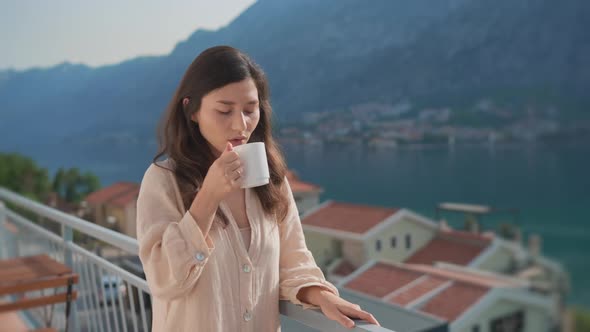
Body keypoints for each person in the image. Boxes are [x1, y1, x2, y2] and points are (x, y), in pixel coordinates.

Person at [136, 45, 380, 331]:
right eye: (224, 111)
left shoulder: (271, 178)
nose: (241, 125)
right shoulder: (163, 180)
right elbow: (163, 279)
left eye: (250, 110)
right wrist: (209, 196)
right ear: (192, 110)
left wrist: (322, 296)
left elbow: (293, 260)